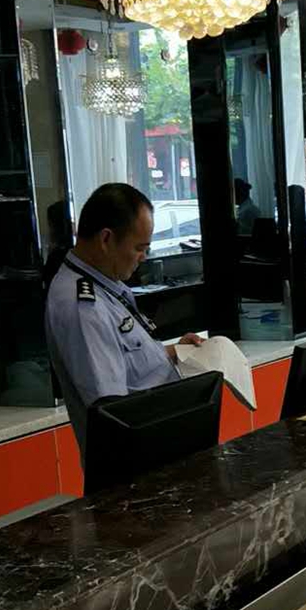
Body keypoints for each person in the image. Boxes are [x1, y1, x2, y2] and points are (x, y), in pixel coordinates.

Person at [46, 183, 203, 461]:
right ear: (106, 239)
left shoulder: (103, 284)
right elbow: (114, 410)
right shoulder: (83, 307)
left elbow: (121, 358)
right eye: (139, 248)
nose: (144, 257)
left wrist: (172, 352)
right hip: (137, 465)